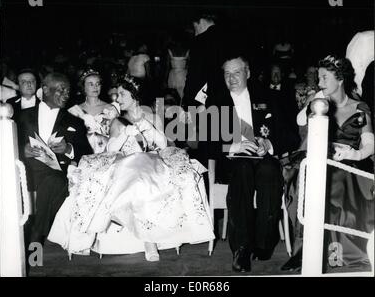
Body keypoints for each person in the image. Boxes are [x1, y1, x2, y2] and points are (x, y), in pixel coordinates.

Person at [48, 76, 214, 262]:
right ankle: (147, 241)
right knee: (135, 179)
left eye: (122, 94)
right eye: (117, 94)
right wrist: (124, 135)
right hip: (125, 163)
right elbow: (110, 149)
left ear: (134, 96)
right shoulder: (117, 120)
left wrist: (149, 129)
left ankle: (149, 239)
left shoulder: (152, 116)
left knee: (147, 174)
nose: (117, 98)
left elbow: (163, 144)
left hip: (152, 161)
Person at [282, 55, 374, 271]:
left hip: (353, 165)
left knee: (336, 180)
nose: (320, 83)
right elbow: (304, 138)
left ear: (340, 80)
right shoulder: (318, 106)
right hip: (323, 161)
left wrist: (356, 154)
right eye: (319, 79)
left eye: (324, 78)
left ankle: (335, 252)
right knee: (303, 177)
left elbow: (370, 144)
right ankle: (303, 252)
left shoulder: (360, 106)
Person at [209, 55, 289, 272]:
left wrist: (269, 143)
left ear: (248, 73)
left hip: (263, 157)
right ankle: (242, 248)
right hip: (233, 161)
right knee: (242, 170)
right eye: (227, 74)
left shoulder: (268, 97)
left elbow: (289, 135)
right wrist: (233, 147)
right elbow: (206, 143)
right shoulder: (216, 101)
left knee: (269, 171)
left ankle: (263, 242)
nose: (231, 78)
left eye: (236, 72)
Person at [17, 72, 93, 244]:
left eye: (68, 91)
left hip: (55, 175)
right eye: (61, 90)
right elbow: (5, 143)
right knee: (53, 184)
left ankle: (35, 238)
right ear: (45, 89)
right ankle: (35, 242)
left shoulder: (75, 122)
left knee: (54, 181)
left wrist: (69, 148)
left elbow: (87, 154)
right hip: (24, 171)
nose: (66, 94)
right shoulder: (21, 116)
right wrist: (22, 150)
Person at [68, 69, 119, 153]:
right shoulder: (74, 111)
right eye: (91, 84)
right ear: (83, 87)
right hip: (83, 153)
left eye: (97, 84)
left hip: (107, 153)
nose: (95, 87)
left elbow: (117, 134)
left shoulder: (110, 109)